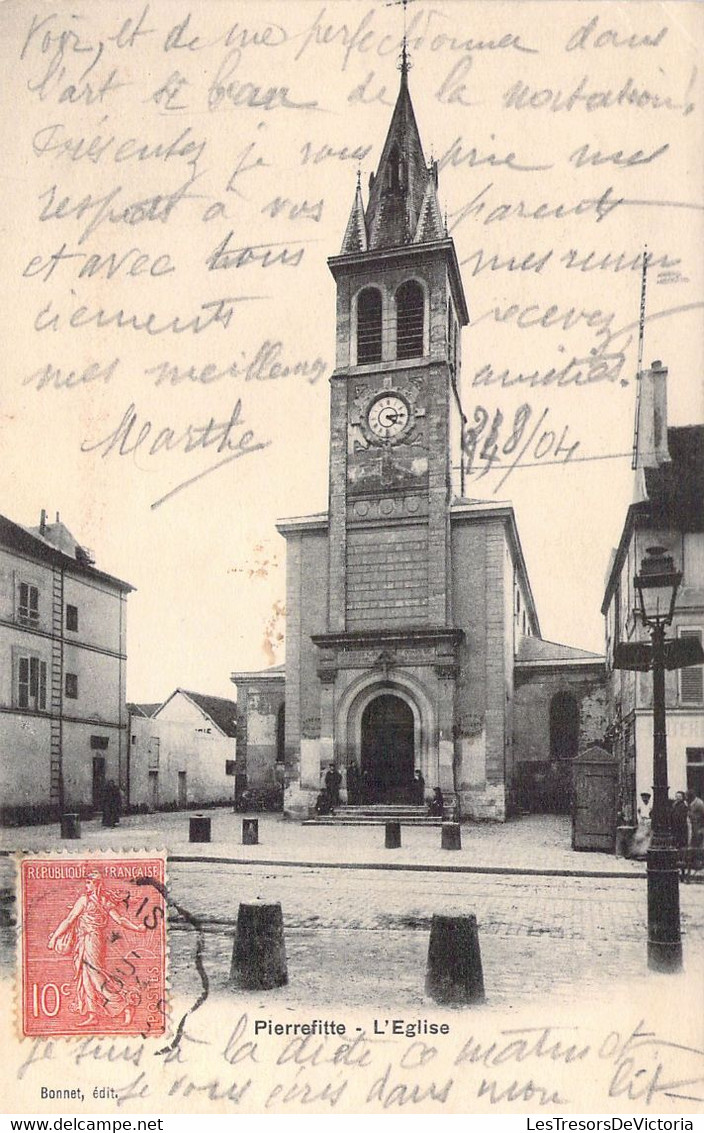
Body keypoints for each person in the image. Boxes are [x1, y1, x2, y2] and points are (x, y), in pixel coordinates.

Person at [47, 871, 147, 1026]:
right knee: (85, 976)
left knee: (95, 975)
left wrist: (137, 928)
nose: (87, 885)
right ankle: (93, 1014)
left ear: (97, 884)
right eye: (86, 882)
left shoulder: (101, 901)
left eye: (89, 883)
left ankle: (124, 1004)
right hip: (83, 940)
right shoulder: (84, 900)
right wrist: (54, 937)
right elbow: (69, 920)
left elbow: (119, 919)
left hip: (93, 940)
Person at [670, 791, 689, 880]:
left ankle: (682, 873)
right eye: (676, 796)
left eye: (679, 796)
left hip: (681, 832)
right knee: (676, 852)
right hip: (675, 831)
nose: (677, 798)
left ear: (682, 797)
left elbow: (681, 820)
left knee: (681, 852)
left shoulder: (683, 806)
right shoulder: (674, 805)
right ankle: (677, 872)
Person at [686, 789, 704, 873]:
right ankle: (694, 863)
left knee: (698, 846)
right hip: (693, 827)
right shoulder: (690, 803)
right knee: (693, 845)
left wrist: (702, 828)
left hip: (699, 827)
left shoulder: (699, 803)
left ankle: (699, 863)